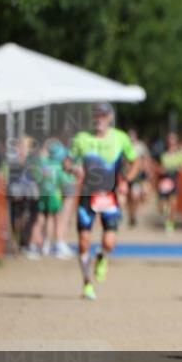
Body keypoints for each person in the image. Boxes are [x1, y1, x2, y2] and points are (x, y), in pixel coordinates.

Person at [69, 102, 140, 300]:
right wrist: (72, 168)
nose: (99, 118)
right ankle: (87, 283)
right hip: (87, 196)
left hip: (110, 196)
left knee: (109, 242)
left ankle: (101, 255)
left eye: (103, 115)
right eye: (96, 115)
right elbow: (67, 161)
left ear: (110, 118)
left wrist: (126, 180)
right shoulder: (82, 139)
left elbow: (135, 162)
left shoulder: (120, 138)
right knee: (83, 242)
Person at [156, 133, 182, 234]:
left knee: (173, 204)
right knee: (162, 206)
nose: (171, 144)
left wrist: (179, 168)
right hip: (164, 181)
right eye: (170, 142)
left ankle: (170, 223)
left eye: (173, 142)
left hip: (175, 181)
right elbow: (158, 168)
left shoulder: (181, 155)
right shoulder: (163, 155)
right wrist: (162, 170)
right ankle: (165, 213)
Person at [125, 128, 151, 228]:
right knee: (129, 198)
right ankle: (131, 216)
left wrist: (146, 169)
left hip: (138, 174)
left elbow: (146, 157)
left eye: (132, 136)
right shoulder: (125, 146)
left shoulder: (140, 146)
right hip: (127, 174)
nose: (131, 138)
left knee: (135, 195)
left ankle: (134, 215)